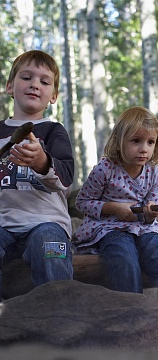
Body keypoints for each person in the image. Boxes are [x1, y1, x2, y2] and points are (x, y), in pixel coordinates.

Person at [72, 106, 158, 293]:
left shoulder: (155, 173)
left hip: (142, 227)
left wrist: (150, 214)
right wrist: (114, 208)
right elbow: (82, 202)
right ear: (119, 142)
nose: (144, 149)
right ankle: (132, 306)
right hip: (108, 227)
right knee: (124, 256)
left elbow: (149, 213)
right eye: (136, 141)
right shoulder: (105, 169)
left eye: (151, 142)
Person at [0, 50, 74, 299]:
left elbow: (66, 179)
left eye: (44, 81)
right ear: (10, 86)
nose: (34, 84)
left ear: (53, 96)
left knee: (51, 249)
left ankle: (60, 322)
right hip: (3, 223)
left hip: (47, 222)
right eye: (26, 78)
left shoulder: (53, 131)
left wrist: (42, 161)